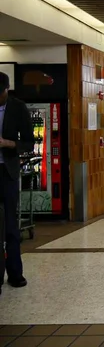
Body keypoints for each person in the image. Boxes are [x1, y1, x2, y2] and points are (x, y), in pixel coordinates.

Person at [0, 72, 34, 293]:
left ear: (6, 90)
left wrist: (7, 143)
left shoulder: (17, 107)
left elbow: (29, 142)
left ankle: (15, 273)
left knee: (10, 224)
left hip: (7, 172)